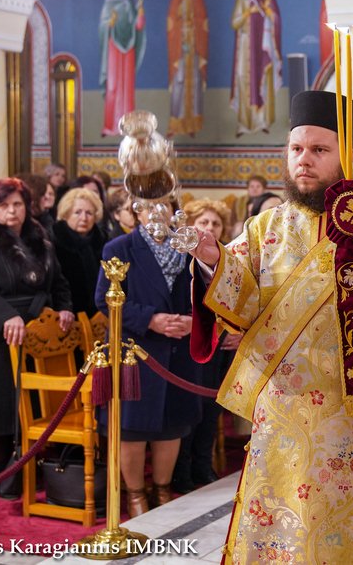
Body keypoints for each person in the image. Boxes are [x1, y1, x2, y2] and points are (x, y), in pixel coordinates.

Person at [188, 90, 353, 562]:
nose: (304, 160)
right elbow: (242, 304)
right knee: (281, 526)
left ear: (347, 154)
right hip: (283, 410)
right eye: (296, 148)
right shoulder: (264, 228)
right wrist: (213, 261)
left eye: (318, 149)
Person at [0, 178, 73, 496]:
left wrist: (64, 308)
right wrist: (7, 315)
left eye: (17, 204)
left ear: (26, 207)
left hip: (39, 330)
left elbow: (58, 281)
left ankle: (39, 466)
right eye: (4, 205)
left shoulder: (41, 238)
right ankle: (5, 472)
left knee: (35, 404)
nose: (11, 211)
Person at [94, 199, 202, 518]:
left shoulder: (187, 245)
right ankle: (136, 494)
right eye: (148, 205)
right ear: (136, 211)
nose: (156, 211)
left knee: (172, 424)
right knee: (133, 427)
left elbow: (207, 292)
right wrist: (150, 319)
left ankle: (163, 489)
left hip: (179, 346)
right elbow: (104, 299)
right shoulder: (119, 247)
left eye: (164, 204)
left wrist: (193, 320)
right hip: (136, 349)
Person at [172, 199, 240, 493]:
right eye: (203, 222)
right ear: (191, 225)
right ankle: (182, 470)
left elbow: (236, 302)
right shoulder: (178, 259)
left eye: (215, 223)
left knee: (212, 407)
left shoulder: (228, 259)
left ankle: (203, 464)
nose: (210, 227)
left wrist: (237, 332)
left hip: (221, 343)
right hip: (189, 343)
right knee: (191, 407)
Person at [229, 0, 282, 136]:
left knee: (262, 78)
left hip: (263, 44)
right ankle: (244, 123)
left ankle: (262, 121)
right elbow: (234, 22)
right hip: (245, 45)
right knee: (244, 79)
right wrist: (246, 13)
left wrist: (268, 11)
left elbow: (275, 16)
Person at [99, 0, 146, 136]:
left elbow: (137, 26)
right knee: (112, 84)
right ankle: (110, 126)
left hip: (128, 48)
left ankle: (128, 125)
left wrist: (140, 13)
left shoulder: (129, 1)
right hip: (113, 47)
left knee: (127, 86)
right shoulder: (108, 2)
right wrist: (109, 23)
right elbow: (102, 26)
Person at [167, 0, 209, 137]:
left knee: (195, 84)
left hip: (194, 49)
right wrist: (180, 22)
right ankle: (176, 124)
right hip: (180, 49)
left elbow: (203, 23)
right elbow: (170, 24)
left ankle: (192, 124)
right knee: (179, 82)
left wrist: (194, 24)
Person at [53, 188, 106, 317]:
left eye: (89, 213)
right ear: (66, 214)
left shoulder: (104, 242)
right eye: (77, 212)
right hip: (65, 315)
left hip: (100, 315)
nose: (84, 218)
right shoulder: (54, 241)